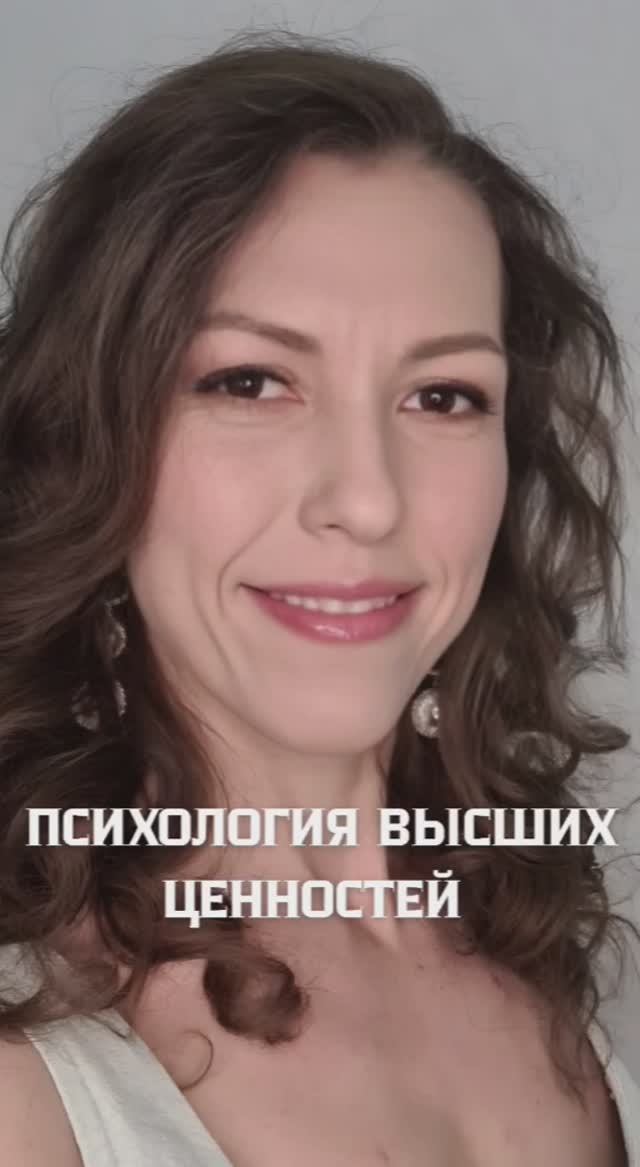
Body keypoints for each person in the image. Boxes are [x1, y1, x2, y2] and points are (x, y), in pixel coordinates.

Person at [0, 26, 638, 1166]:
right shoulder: (25, 1071)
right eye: (250, 381)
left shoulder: (549, 952)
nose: (368, 500)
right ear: (90, 445)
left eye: (443, 396)